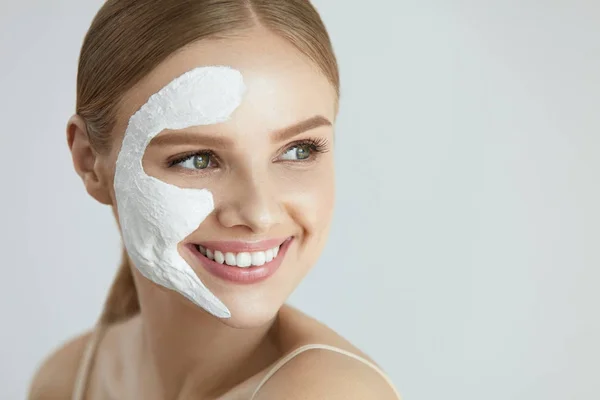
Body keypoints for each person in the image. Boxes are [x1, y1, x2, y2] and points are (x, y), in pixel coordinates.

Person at [28, 1, 402, 399]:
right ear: (90, 162)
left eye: (298, 150)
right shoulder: (64, 380)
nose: (258, 213)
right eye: (197, 159)